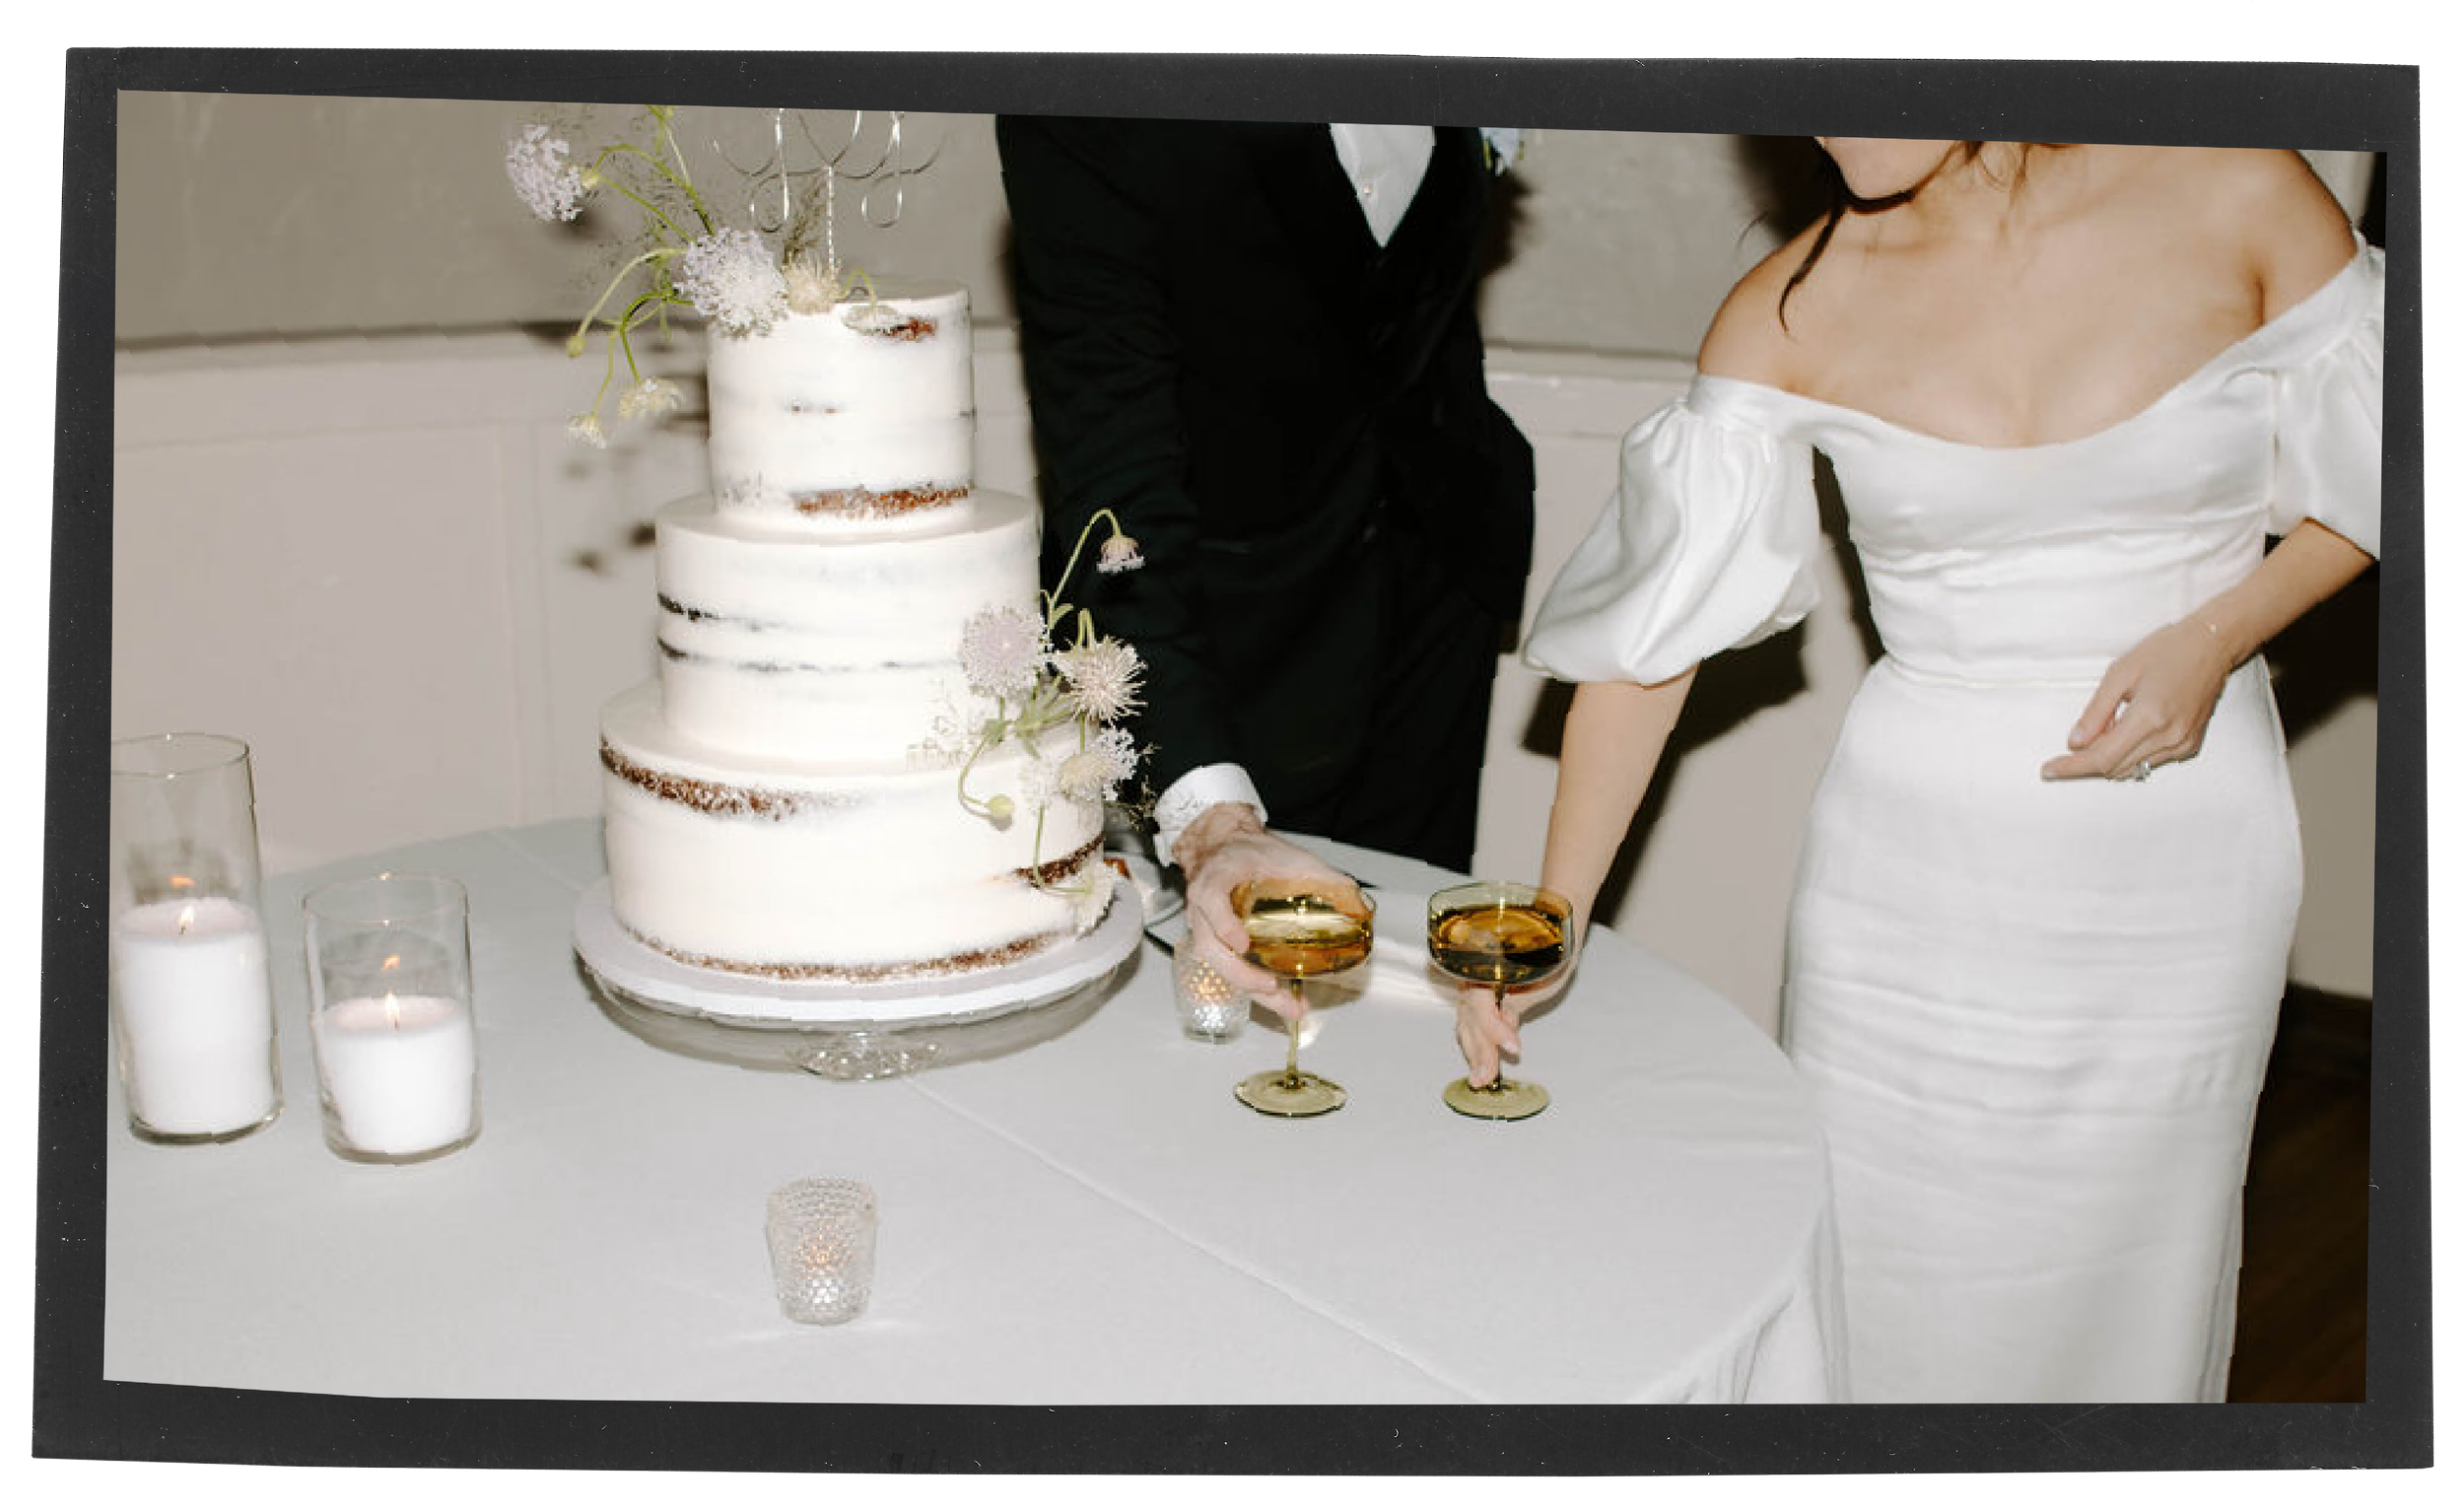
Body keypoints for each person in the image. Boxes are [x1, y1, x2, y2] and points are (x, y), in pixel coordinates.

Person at [1462, 140, 2380, 1403]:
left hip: (2178, 864)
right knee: (1884, 1271)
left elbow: (2406, 447)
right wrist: (1551, 916)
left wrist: (2215, 638)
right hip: (1909, 884)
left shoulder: (2238, 188)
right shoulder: (1789, 307)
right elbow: (1641, 653)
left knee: (2132, 1271)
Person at [994, 115, 1537, 1008]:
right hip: (1208, 636)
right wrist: (1211, 821)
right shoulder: (1085, 93)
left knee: (1407, 1011)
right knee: (1211, 1018)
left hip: (1432, 595)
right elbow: (1111, 470)